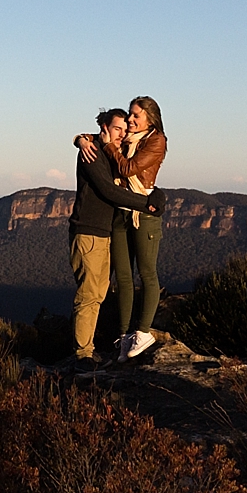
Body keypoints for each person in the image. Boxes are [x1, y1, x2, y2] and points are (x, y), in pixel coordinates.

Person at [68, 110, 165, 366]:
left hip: (104, 233)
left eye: (125, 129)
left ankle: (87, 350)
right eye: (117, 129)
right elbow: (108, 190)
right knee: (89, 294)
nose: (122, 134)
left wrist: (80, 137)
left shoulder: (107, 150)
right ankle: (82, 355)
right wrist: (147, 204)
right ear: (104, 128)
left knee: (99, 293)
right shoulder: (92, 154)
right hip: (88, 232)